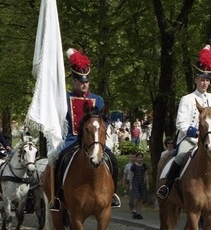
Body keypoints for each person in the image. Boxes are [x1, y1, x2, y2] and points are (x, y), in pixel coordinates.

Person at [156, 45, 211, 206]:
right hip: (190, 139)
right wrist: (196, 133)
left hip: (209, 141)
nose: (204, 83)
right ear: (196, 80)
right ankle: (166, 186)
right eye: (202, 80)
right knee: (180, 156)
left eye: (207, 80)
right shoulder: (187, 99)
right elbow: (180, 123)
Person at [50, 48, 121, 210]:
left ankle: (113, 194)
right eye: (81, 81)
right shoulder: (65, 99)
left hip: (94, 139)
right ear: (74, 81)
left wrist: (100, 131)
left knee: (113, 160)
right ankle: (57, 197)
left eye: (86, 81)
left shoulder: (98, 99)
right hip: (72, 139)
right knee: (59, 160)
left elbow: (105, 121)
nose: (84, 84)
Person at [130, 152, 149, 219]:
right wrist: (130, 185)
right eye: (139, 158)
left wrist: (147, 184)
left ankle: (139, 212)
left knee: (141, 197)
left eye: (141, 158)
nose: (140, 159)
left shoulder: (144, 165)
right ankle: (135, 209)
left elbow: (146, 175)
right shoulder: (133, 166)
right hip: (135, 182)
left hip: (142, 182)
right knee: (137, 196)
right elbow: (131, 176)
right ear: (136, 158)